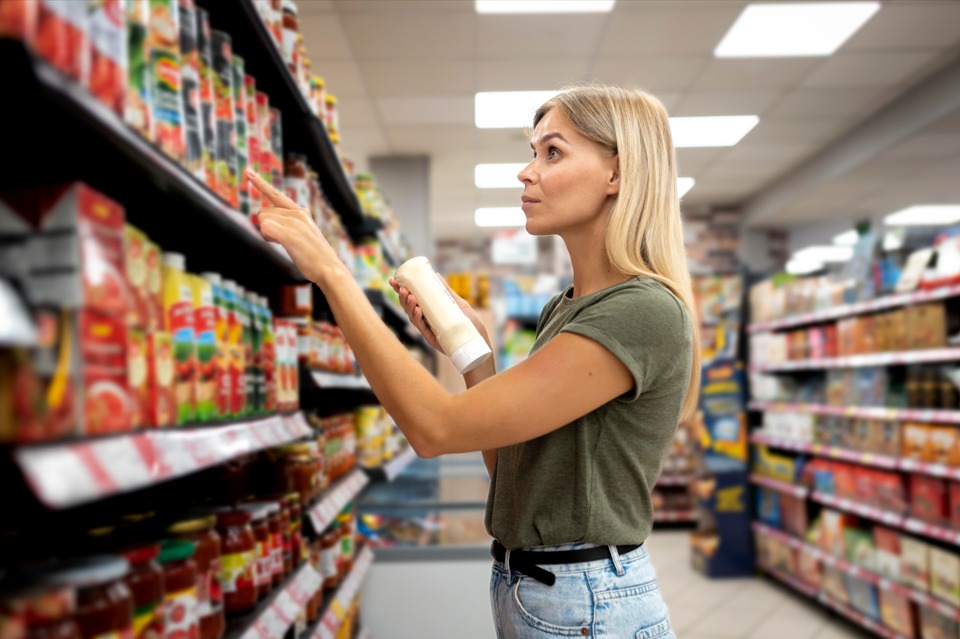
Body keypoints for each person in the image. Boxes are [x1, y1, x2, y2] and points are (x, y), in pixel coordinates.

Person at [247, 84, 700, 639]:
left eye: (552, 152)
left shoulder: (641, 310)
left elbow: (434, 429)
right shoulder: (568, 307)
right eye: (533, 152)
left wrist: (333, 276)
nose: (526, 172)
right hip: (541, 588)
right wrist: (473, 356)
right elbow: (510, 475)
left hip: (586, 602)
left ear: (618, 173)